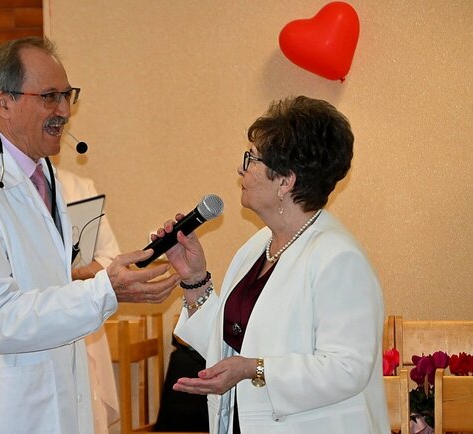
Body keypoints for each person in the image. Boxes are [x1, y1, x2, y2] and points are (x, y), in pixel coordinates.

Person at [0, 36, 179, 434]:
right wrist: (103, 291)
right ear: (3, 102)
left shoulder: (41, 177)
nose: (65, 111)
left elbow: (47, 290)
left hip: (43, 404)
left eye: (68, 95)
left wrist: (115, 281)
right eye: (50, 97)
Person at [156, 96, 389, 433]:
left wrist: (256, 369)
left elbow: (347, 368)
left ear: (285, 181)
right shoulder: (257, 246)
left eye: (251, 159)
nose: (241, 169)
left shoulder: (338, 258)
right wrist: (194, 278)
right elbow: (229, 345)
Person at [57, 167, 121, 433]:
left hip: (80, 306)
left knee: (87, 408)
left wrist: (68, 274)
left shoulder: (78, 186)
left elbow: (109, 258)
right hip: (35, 316)